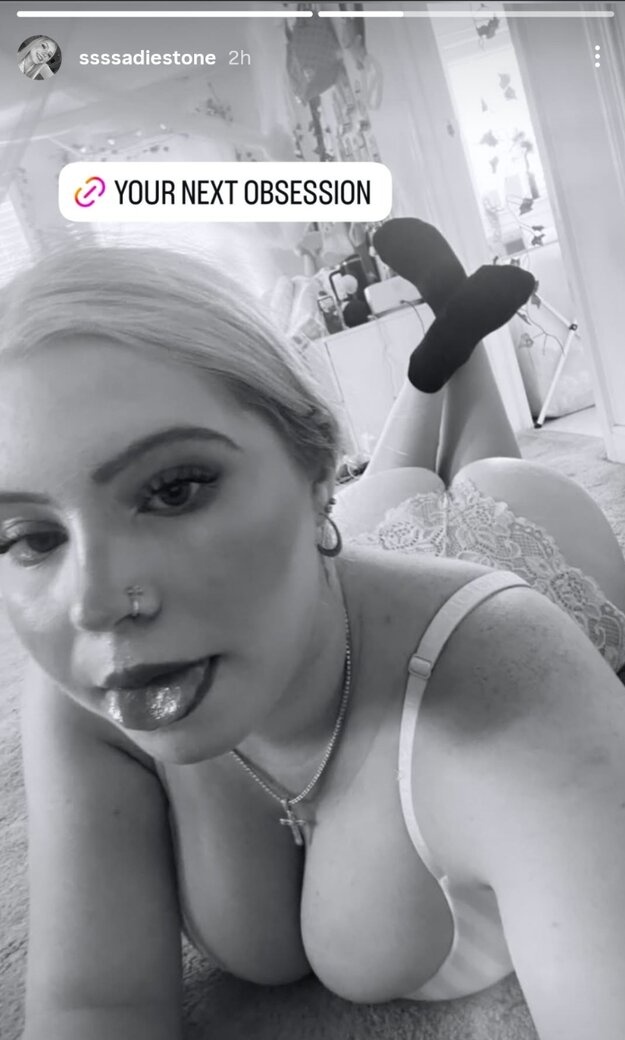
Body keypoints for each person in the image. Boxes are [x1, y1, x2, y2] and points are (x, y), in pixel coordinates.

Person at [1, 238, 625, 1040]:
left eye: (175, 490)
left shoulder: (515, 693)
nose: (91, 605)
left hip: (512, 545)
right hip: (340, 558)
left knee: (484, 474)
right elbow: (92, 1006)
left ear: (316, 467)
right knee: (389, 494)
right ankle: (447, 342)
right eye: (31, 537)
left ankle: (454, 348)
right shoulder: (99, 681)